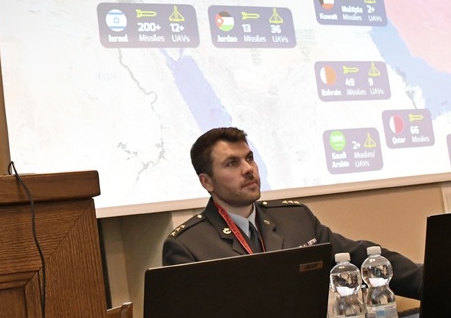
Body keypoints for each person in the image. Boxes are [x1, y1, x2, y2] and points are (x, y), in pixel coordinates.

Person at [162, 127, 423, 298]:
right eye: (232, 163)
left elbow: (360, 257)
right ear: (207, 182)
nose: (249, 169)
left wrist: (433, 280)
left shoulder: (295, 219)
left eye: (249, 158)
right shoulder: (188, 246)